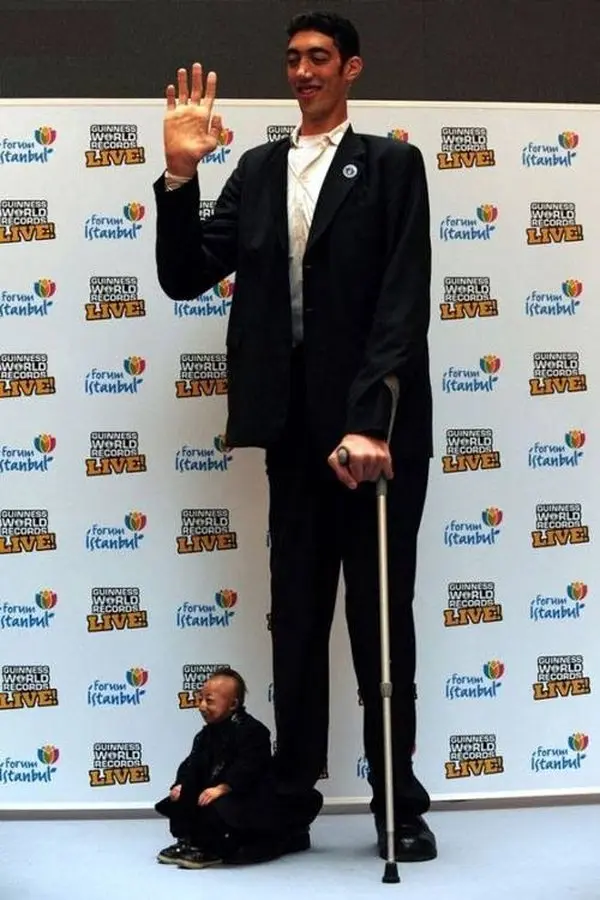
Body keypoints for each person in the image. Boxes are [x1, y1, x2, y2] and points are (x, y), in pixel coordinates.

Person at [153, 11, 436, 863]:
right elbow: (184, 274)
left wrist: (369, 422)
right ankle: (290, 797)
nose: (303, 70)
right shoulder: (257, 168)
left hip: (375, 439)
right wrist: (179, 175)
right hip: (291, 433)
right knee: (299, 622)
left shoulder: (391, 165)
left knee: (379, 623)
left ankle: (398, 797)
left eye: (319, 57)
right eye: (292, 59)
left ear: (351, 68)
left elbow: (402, 301)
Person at [154, 667, 280, 868]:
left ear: (233, 704)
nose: (202, 706)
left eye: (209, 701)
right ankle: (188, 840)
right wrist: (181, 784)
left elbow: (249, 768)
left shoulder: (253, 732)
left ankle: (214, 847)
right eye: (201, 699)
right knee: (183, 795)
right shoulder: (205, 735)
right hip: (213, 791)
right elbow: (190, 764)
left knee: (216, 803)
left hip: (245, 796)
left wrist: (223, 787)